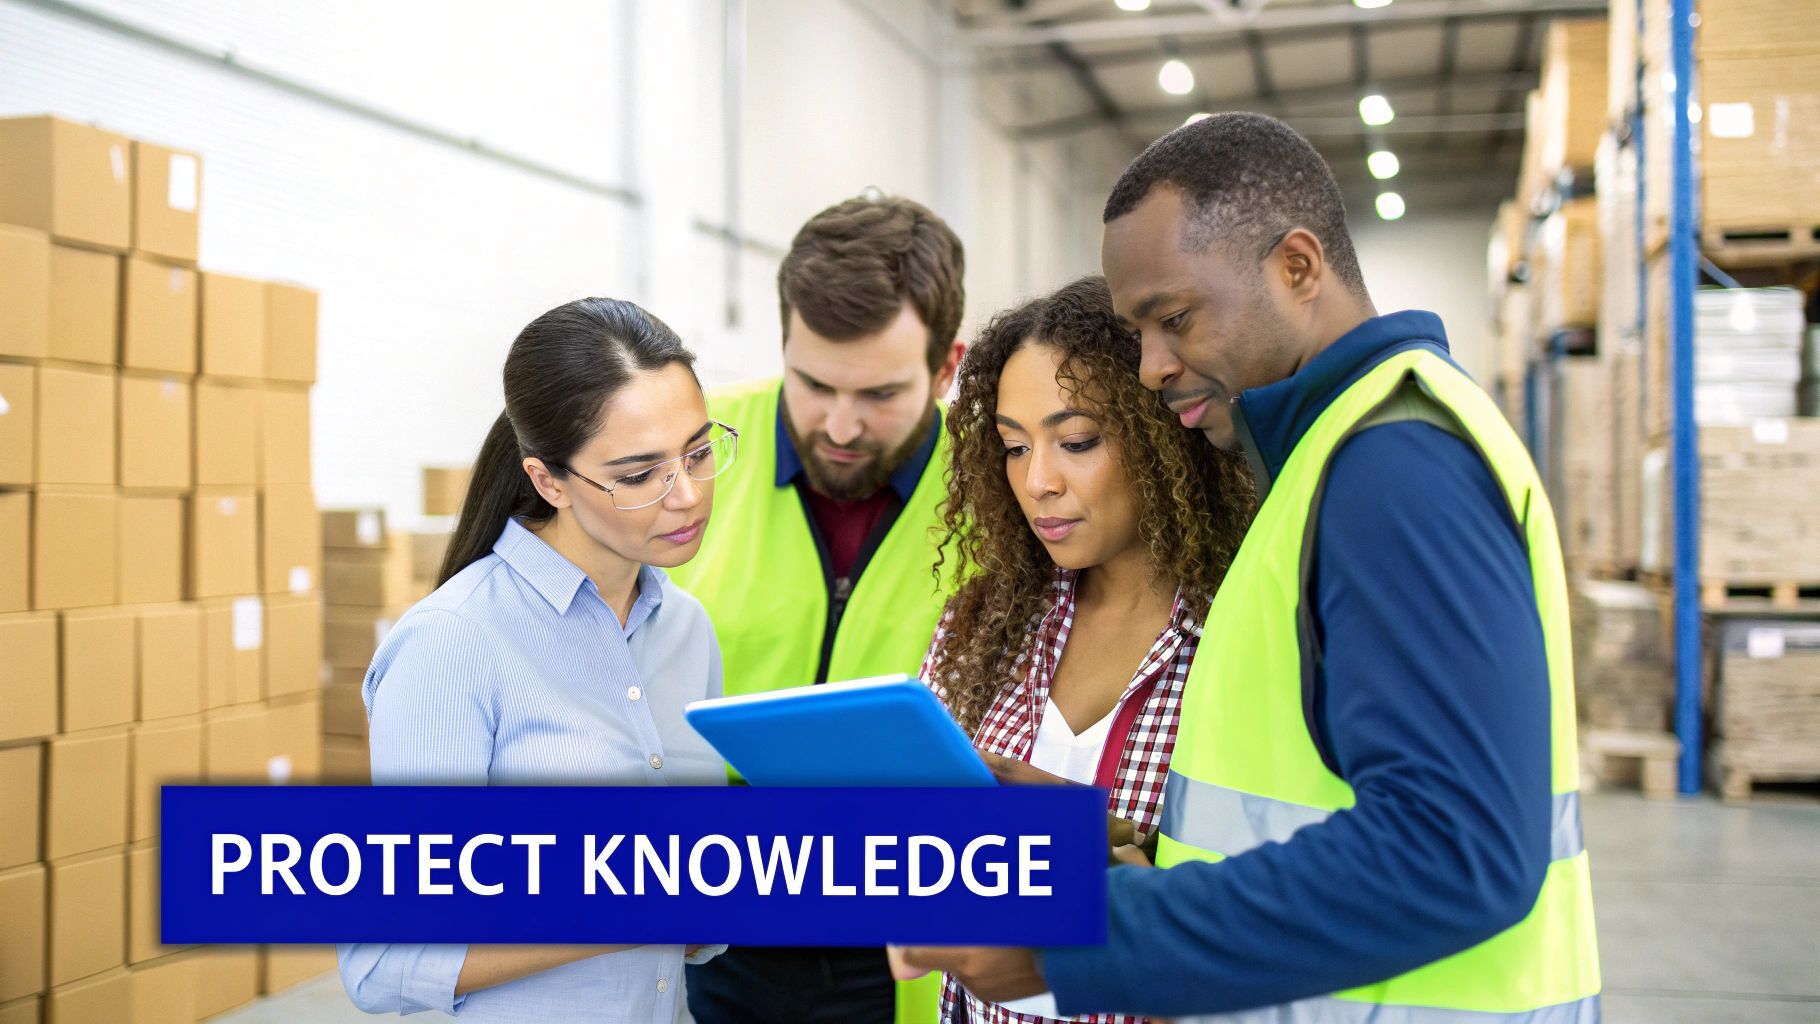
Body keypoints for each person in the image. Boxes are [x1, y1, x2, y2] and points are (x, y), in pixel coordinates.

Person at [894, 112, 1601, 1021]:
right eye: (1137, 331)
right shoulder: (1321, 468)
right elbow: (1302, 808)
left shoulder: (1393, 466)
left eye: (1175, 319)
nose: (1150, 368)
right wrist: (1092, 845)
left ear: (1298, 268)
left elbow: (1454, 848)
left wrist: (1080, 934)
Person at [338, 297, 739, 1023]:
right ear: (549, 481)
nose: (687, 496)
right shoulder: (452, 646)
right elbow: (382, 964)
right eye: (639, 473)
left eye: (700, 452)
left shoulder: (686, 629)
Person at [920, 277, 1252, 1024]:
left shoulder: (1235, 636)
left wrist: (1091, 839)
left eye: (1077, 442)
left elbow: (1271, 901)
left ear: (1161, 430)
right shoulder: (984, 626)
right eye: (1012, 446)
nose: (1038, 481)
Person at [670, 194, 966, 1024]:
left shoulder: (1004, 490)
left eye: (879, 393)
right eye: (814, 383)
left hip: (906, 943)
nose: (840, 424)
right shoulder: (692, 455)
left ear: (947, 369)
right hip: (707, 924)